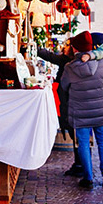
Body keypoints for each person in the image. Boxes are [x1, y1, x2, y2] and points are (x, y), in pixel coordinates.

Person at [61, 31, 103, 189]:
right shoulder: (102, 64)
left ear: (75, 48)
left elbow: (64, 86)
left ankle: (88, 178)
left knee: (84, 144)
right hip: (99, 111)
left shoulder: (70, 68)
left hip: (79, 113)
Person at [38, 39, 83, 176]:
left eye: (68, 45)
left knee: (77, 135)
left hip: (71, 102)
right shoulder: (71, 59)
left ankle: (81, 166)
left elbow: (52, 57)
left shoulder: (69, 61)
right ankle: (79, 164)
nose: (65, 47)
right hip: (72, 101)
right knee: (76, 134)